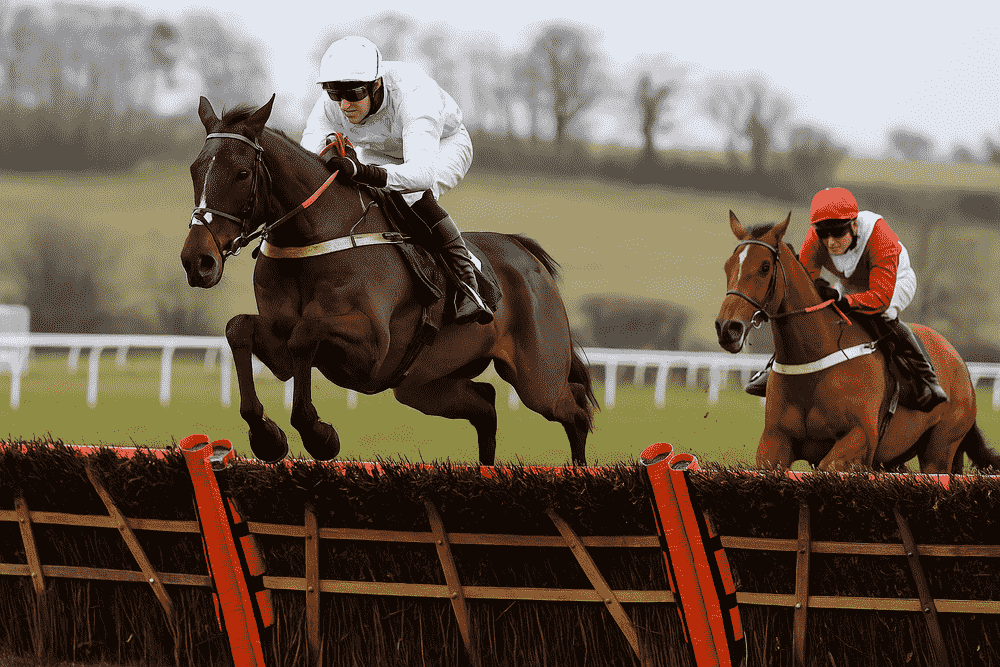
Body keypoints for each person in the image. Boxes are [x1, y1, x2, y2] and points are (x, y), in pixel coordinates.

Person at [300, 35, 493, 325]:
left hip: (443, 146)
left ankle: (468, 282)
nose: (343, 105)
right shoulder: (334, 102)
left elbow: (420, 174)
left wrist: (362, 172)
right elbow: (308, 160)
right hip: (379, 152)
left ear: (375, 85)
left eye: (352, 95)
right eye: (334, 94)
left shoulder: (415, 94)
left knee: (413, 196)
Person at [744, 187, 948, 411]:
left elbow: (880, 297)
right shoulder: (816, 237)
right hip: (851, 284)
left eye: (837, 233)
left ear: (854, 225)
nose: (830, 242)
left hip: (894, 281)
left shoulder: (880, 236)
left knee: (883, 314)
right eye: (824, 234)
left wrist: (844, 300)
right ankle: (772, 368)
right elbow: (804, 283)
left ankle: (927, 379)